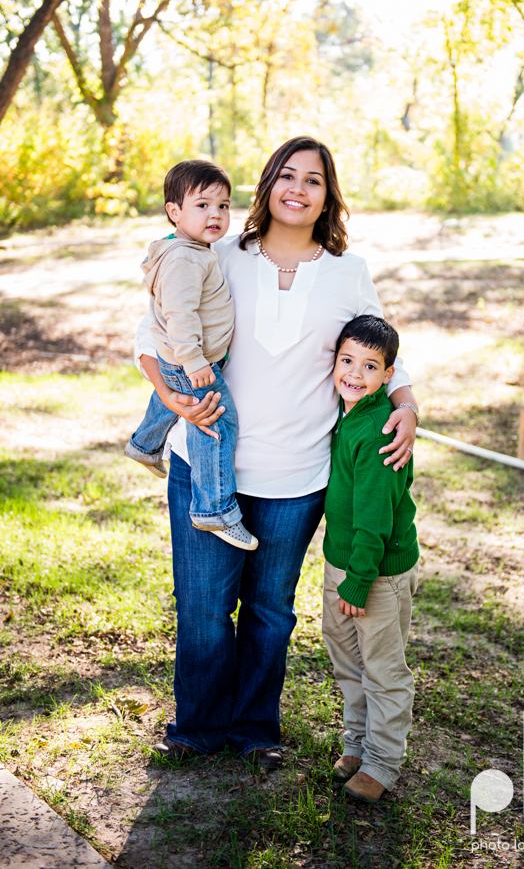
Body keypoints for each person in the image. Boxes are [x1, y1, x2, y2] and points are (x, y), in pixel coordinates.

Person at [134, 136, 419, 768]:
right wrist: (170, 396)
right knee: (205, 609)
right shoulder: (219, 251)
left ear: (328, 196)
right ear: (267, 186)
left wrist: (407, 406)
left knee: (269, 611)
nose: (298, 188)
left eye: (313, 180)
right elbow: (152, 328)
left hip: (298, 476)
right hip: (206, 465)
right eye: (286, 175)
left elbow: (382, 349)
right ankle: (199, 728)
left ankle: (255, 727)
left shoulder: (348, 273)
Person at [125, 160, 257, 550]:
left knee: (173, 400)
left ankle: (144, 445)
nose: (215, 214)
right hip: (190, 360)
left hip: (180, 358)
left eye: (224, 205)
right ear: (174, 212)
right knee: (216, 423)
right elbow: (179, 315)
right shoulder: (185, 258)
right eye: (202, 205)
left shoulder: (193, 249)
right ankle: (213, 509)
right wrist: (195, 361)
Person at [321, 315, 420, 803]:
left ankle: (383, 762)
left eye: (370, 365)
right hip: (341, 563)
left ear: (389, 374)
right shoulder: (346, 414)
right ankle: (357, 743)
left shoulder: (380, 429)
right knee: (347, 662)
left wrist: (358, 580)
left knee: (382, 668)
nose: (355, 373)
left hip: (376, 571)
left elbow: (376, 519)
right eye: (347, 361)